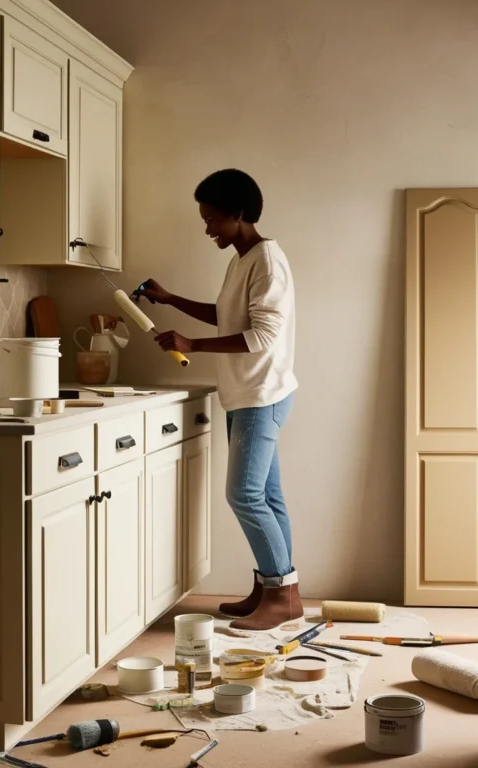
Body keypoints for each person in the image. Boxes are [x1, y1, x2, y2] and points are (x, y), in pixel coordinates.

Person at [142, 169, 301, 631]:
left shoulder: (267, 261)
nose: (207, 227)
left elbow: (262, 335)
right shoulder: (243, 259)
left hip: (260, 394)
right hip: (247, 394)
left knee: (245, 495)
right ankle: (272, 589)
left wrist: (192, 345)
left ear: (238, 214)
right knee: (267, 496)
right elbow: (228, 315)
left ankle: (282, 595)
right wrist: (170, 299)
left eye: (212, 218)